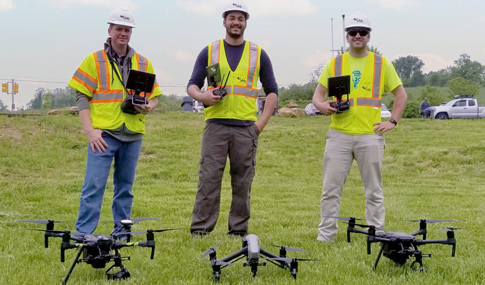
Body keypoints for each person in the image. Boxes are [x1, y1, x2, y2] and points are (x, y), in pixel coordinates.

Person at [312, 12, 407, 242]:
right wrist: (322, 106)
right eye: (352, 32)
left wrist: (392, 121)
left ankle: (376, 235)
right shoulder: (335, 63)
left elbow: (401, 95)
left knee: (374, 191)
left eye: (362, 32)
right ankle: (326, 236)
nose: (357, 36)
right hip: (339, 135)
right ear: (347, 36)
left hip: (370, 136)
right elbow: (317, 96)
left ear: (368, 36)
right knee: (330, 190)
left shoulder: (381, 63)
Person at [68, 7, 162, 237]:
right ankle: (83, 236)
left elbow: (155, 96)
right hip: (103, 135)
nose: (123, 33)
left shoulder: (143, 62)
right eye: (119, 29)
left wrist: (149, 107)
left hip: (132, 134)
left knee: (125, 190)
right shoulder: (93, 60)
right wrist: (90, 131)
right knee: (93, 187)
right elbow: (82, 97)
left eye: (127, 30)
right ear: (109, 30)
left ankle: (121, 235)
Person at [187, 0, 278, 237]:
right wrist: (203, 96)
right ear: (224, 21)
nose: (236, 22)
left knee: (242, 182)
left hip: (246, 128)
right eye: (232, 18)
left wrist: (260, 125)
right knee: (208, 180)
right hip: (215, 126)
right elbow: (192, 86)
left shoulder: (259, 54)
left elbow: (272, 92)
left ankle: (238, 230)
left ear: (246, 22)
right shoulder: (209, 50)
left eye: (241, 18)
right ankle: (200, 230)